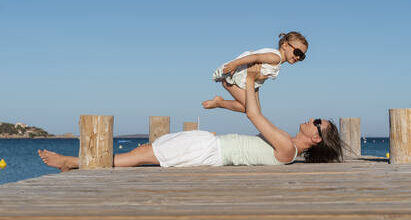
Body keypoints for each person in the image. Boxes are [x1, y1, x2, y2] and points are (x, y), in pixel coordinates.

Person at [38, 64, 342, 171]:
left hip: (207, 151)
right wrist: (228, 91)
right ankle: (75, 162)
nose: (312, 118)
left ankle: (73, 162)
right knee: (139, 154)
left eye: (318, 122)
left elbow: (253, 113)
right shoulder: (286, 142)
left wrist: (249, 78)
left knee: (139, 156)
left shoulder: (288, 150)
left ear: (316, 138)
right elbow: (251, 108)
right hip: (208, 145)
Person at [202, 31, 308, 113]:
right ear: (285, 45)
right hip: (233, 79)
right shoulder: (275, 57)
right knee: (250, 109)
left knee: (256, 111)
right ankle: (219, 102)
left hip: (247, 83)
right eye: (297, 52)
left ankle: (219, 102)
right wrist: (235, 63)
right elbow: (255, 57)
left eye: (302, 56)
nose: (298, 57)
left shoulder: (277, 60)